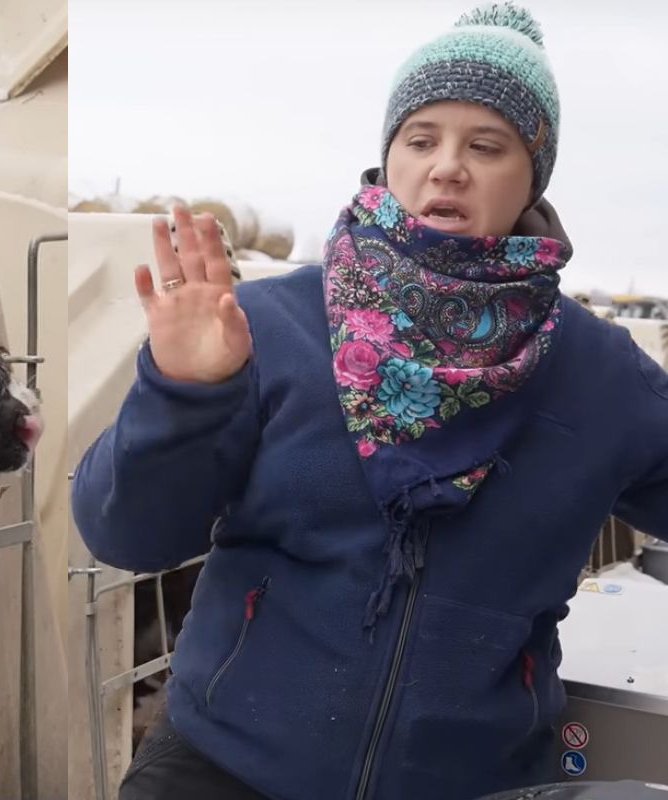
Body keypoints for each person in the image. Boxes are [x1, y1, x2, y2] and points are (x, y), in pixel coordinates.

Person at [70, 4, 668, 799]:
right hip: (222, 769)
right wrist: (187, 392)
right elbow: (126, 534)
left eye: (485, 146)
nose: (446, 167)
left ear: (534, 172)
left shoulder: (600, 372)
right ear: (389, 157)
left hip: (473, 782)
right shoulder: (272, 325)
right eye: (420, 140)